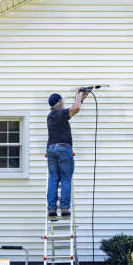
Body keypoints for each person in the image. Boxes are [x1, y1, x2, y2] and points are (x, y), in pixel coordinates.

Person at [46, 88, 88, 218]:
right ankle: (64, 208)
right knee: (65, 178)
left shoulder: (50, 116)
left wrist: (81, 98)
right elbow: (75, 109)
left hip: (51, 149)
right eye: (62, 101)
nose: (63, 103)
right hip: (63, 149)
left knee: (53, 179)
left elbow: (74, 108)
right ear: (59, 102)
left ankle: (52, 209)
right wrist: (77, 94)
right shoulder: (60, 113)